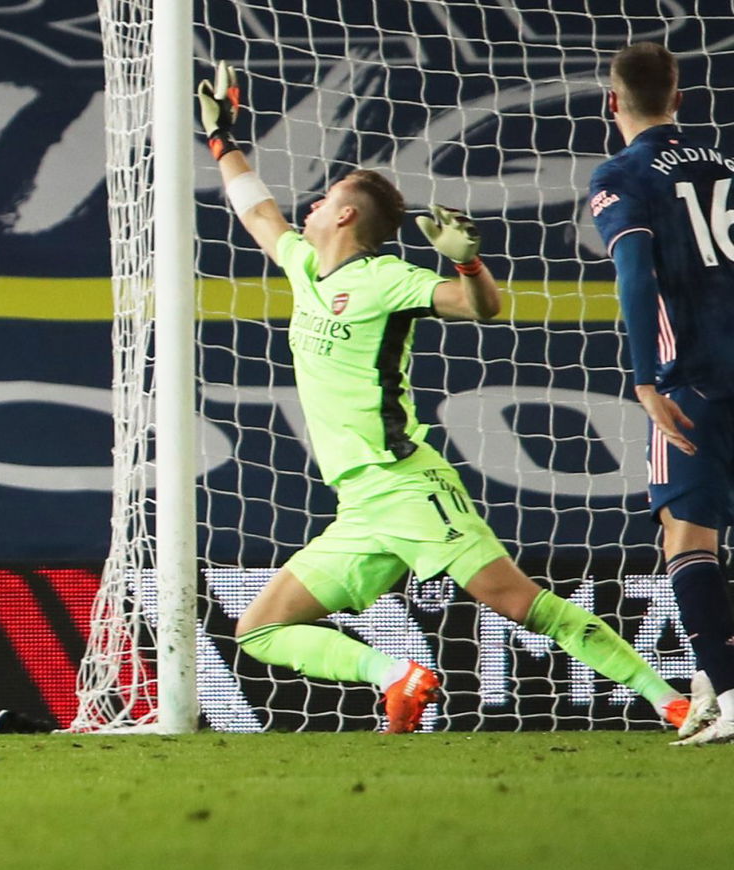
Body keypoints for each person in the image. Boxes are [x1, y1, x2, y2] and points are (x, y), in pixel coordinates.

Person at [200, 61, 687, 732]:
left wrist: (468, 261)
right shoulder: (305, 265)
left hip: (408, 488)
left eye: (322, 198)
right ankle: (397, 674)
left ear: (344, 215)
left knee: (522, 603)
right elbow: (257, 212)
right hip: (362, 506)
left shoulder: (387, 279)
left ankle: (672, 700)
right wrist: (222, 142)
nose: (307, 206)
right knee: (260, 630)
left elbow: (480, 308)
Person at [588, 41, 734, 745]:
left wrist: (645, 378)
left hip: (694, 379)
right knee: (697, 531)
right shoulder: (726, 168)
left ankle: (730, 695)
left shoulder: (623, 175)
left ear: (612, 101)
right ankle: (710, 688)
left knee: (686, 535)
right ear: (678, 99)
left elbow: (636, 277)